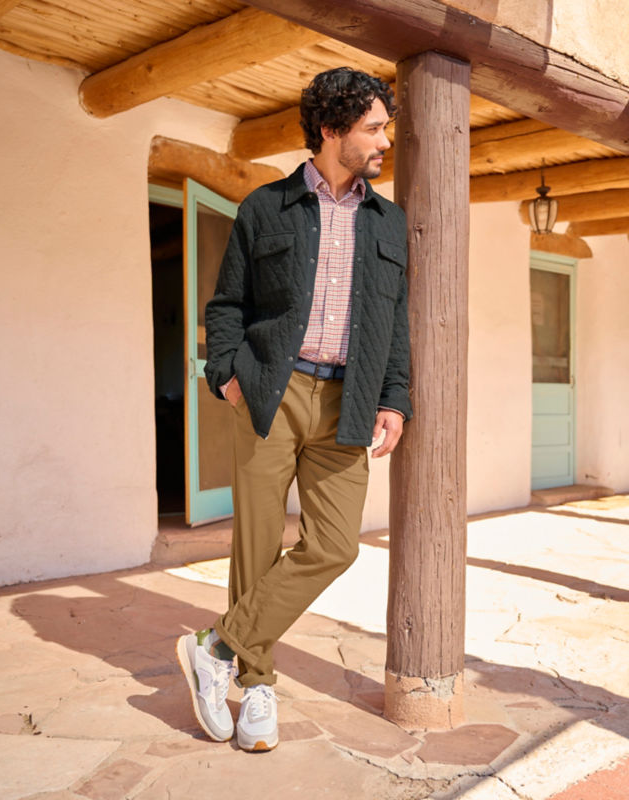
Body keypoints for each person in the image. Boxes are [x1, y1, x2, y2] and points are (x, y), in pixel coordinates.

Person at [177, 67, 412, 752]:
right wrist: (226, 372)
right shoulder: (264, 208)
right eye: (373, 127)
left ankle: (215, 648)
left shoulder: (387, 220)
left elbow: (395, 323)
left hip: (348, 400)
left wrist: (394, 399)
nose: (384, 140)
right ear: (332, 130)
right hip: (270, 393)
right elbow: (226, 308)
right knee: (256, 546)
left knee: (335, 545)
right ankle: (258, 687)